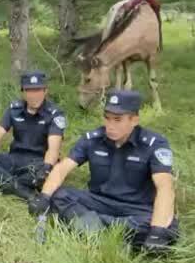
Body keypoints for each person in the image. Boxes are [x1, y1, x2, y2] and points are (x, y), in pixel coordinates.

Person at [27, 89, 178, 254]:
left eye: (117, 119)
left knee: (168, 228)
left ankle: (89, 228)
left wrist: (157, 231)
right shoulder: (92, 139)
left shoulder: (154, 144)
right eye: (107, 118)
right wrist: (44, 196)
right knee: (58, 195)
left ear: (134, 119)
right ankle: (115, 237)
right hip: (98, 202)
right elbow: (62, 168)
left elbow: (165, 186)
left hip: (136, 208)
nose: (110, 125)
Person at [0, 70, 67, 201]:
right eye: (29, 90)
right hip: (15, 157)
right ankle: (22, 190)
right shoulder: (14, 109)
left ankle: (4, 181)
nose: (33, 95)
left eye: (38, 90)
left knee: (44, 176)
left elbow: (53, 149)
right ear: (23, 92)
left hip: (39, 161)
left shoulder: (55, 114)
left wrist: (46, 168)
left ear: (45, 91)